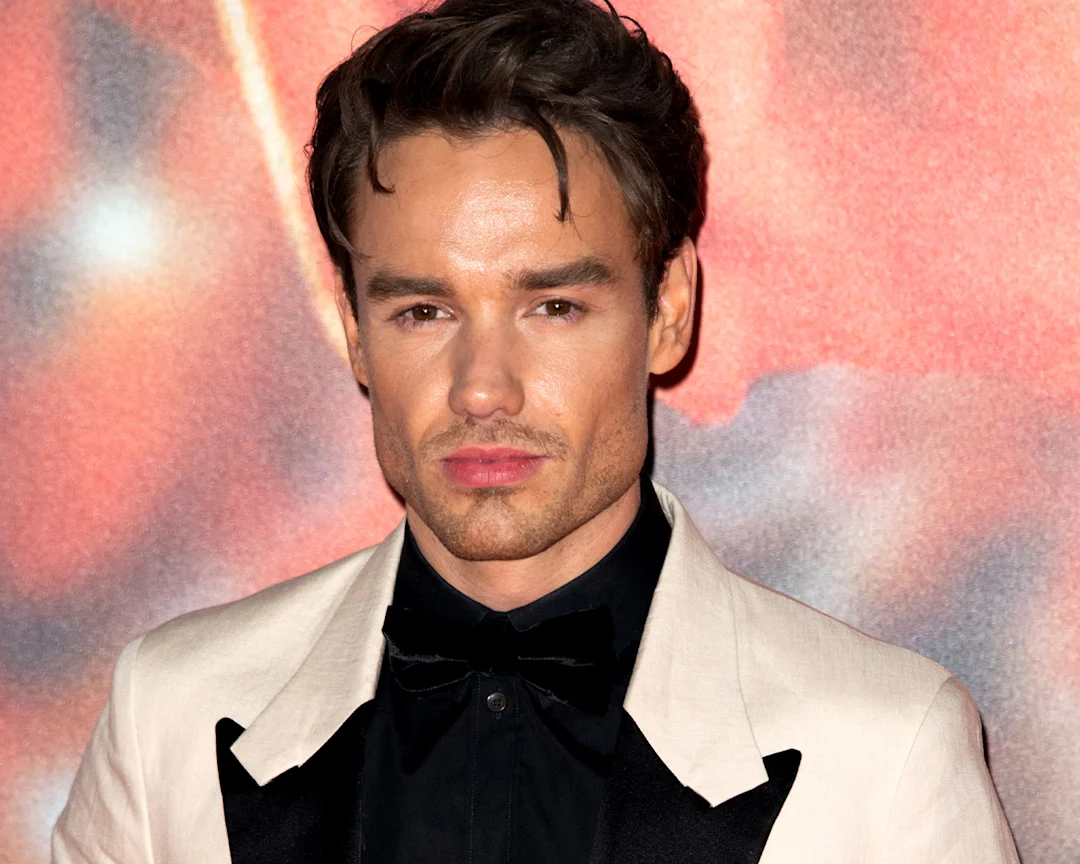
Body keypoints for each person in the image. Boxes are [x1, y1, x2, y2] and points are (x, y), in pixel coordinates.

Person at [51, 0, 1020, 861]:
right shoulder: (168, 719)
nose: (483, 388)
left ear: (670, 309)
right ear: (352, 330)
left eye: (553, 307)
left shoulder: (885, 753)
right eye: (423, 311)